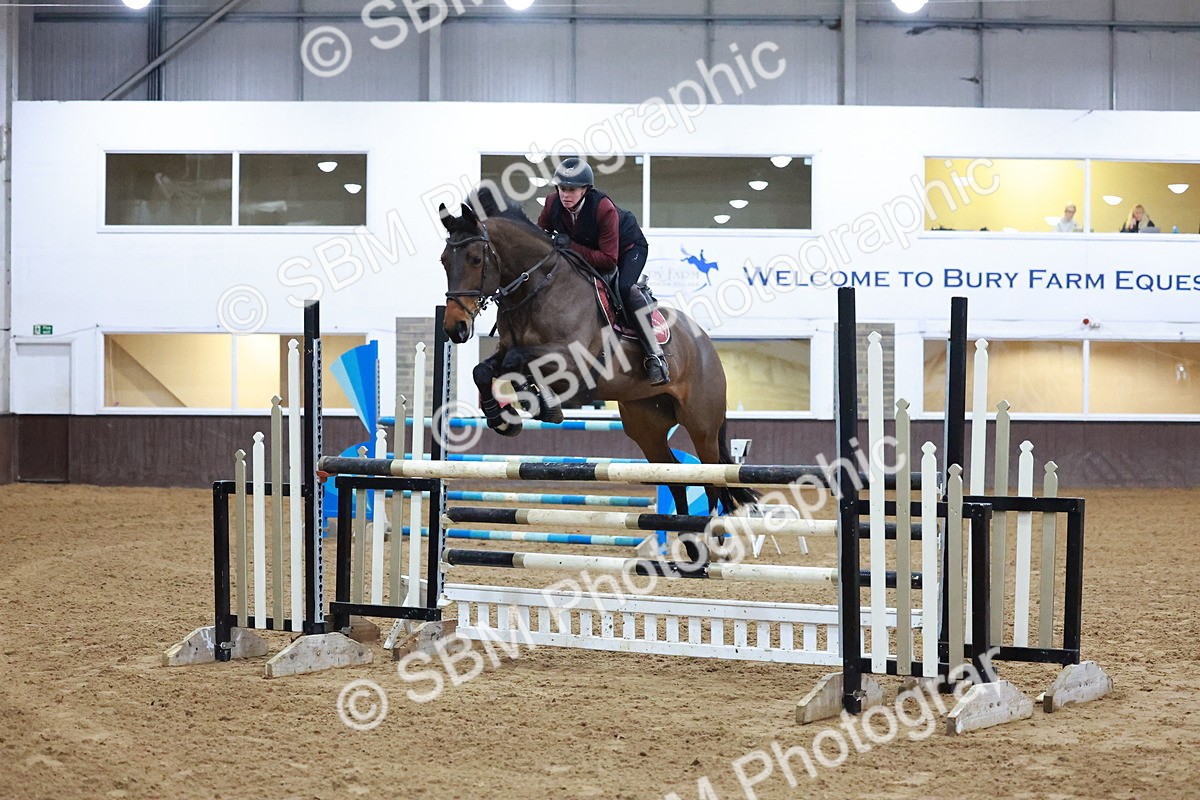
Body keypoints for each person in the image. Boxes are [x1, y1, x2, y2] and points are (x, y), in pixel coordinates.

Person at [538, 157, 669, 386]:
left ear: (585, 190)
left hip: (627, 249)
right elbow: (540, 238)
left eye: (571, 189)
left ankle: (654, 355)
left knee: (625, 287)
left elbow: (608, 260)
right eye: (561, 188)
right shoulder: (552, 203)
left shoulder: (602, 207)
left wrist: (569, 246)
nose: (565, 194)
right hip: (589, 251)